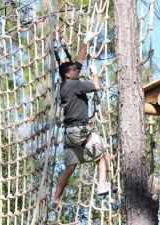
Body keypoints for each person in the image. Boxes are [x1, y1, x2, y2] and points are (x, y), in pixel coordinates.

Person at [52, 32, 110, 208]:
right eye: (75, 70)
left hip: (69, 134)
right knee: (103, 155)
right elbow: (97, 87)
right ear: (69, 75)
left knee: (70, 168)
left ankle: (55, 199)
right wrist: (94, 75)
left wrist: (85, 41)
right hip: (80, 131)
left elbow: (78, 60)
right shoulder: (76, 84)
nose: (79, 70)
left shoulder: (64, 85)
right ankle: (101, 184)